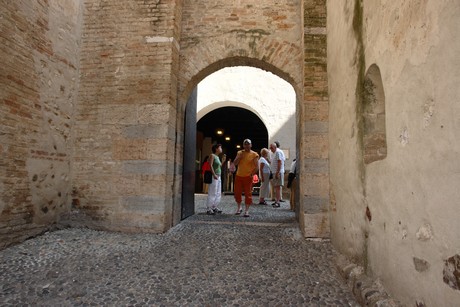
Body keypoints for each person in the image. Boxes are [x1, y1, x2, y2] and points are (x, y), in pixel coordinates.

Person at [233, 139, 259, 217]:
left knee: (248, 194)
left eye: (248, 144)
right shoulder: (240, 153)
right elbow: (235, 163)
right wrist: (239, 157)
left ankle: (247, 210)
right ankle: (239, 207)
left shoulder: (254, 154)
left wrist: (252, 174)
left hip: (248, 177)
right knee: (237, 193)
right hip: (239, 176)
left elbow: (257, 167)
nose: (247, 146)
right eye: (245, 144)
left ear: (251, 145)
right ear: (243, 145)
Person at [206, 144, 223, 215]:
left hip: (218, 176)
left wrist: (223, 161)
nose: (221, 149)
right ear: (216, 149)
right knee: (212, 191)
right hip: (214, 176)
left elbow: (219, 166)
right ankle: (209, 208)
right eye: (220, 147)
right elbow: (210, 165)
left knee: (218, 192)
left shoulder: (218, 157)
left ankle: (214, 206)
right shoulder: (212, 155)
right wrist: (214, 174)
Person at [269, 142, 285, 207]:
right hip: (275, 172)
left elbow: (279, 163)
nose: (270, 149)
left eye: (271, 148)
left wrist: (277, 172)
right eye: (270, 148)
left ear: (275, 147)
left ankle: (277, 202)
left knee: (277, 187)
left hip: (277, 172)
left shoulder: (278, 152)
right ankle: (276, 200)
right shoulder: (274, 153)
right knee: (276, 187)